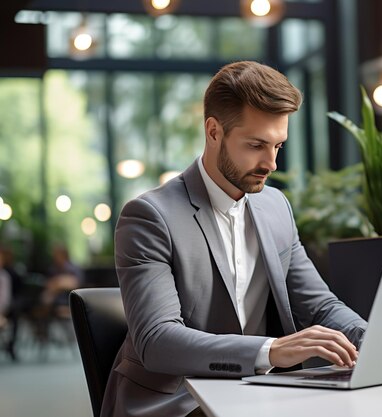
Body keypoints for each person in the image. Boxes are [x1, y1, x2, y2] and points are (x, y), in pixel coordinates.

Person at [101, 61, 367, 417]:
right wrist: (270, 351)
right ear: (213, 131)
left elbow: (319, 306)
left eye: (278, 146)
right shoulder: (150, 216)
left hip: (257, 394)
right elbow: (158, 340)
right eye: (257, 145)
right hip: (176, 400)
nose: (271, 163)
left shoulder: (275, 207)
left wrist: (374, 339)